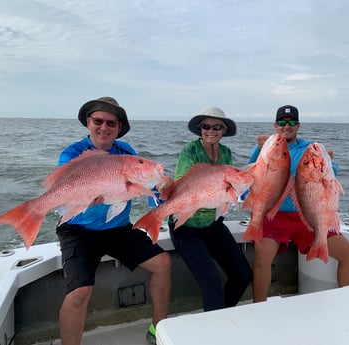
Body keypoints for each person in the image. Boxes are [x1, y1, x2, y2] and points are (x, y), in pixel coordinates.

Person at [56, 97, 171, 345]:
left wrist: (161, 186)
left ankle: (158, 331)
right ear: (88, 122)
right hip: (78, 230)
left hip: (118, 228)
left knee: (163, 263)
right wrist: (87, 196)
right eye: (98, 121)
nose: (104, 127)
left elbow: (142, 185)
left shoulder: (126, 153)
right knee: (79, 293)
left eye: (111, 123)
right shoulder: (73, 153)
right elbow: (64, 187)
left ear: (119, 127)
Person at [249, 105, 349, 302]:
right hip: (274, 215)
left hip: (309, 215)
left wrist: (329, 161)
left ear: (298, 125)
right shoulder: (265, 148)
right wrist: (259, 148)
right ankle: (259, 307)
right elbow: (252, 177)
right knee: (262, 259)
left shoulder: (309, 150)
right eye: (282, 122)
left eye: (291, 122)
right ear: (275, 125)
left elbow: (329, 176)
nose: (286, 126)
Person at [169, 107, 252, 311]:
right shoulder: (190, 150)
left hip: (212, 224)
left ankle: (219, 316)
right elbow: (181, 185)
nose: (211, 130)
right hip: (185, 226)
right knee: (211, 282)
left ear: (224, 130)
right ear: (200, 129)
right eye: (206, 126)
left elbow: (226, 189)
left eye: (217, 127)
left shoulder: (226, 153)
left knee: (243, 274)